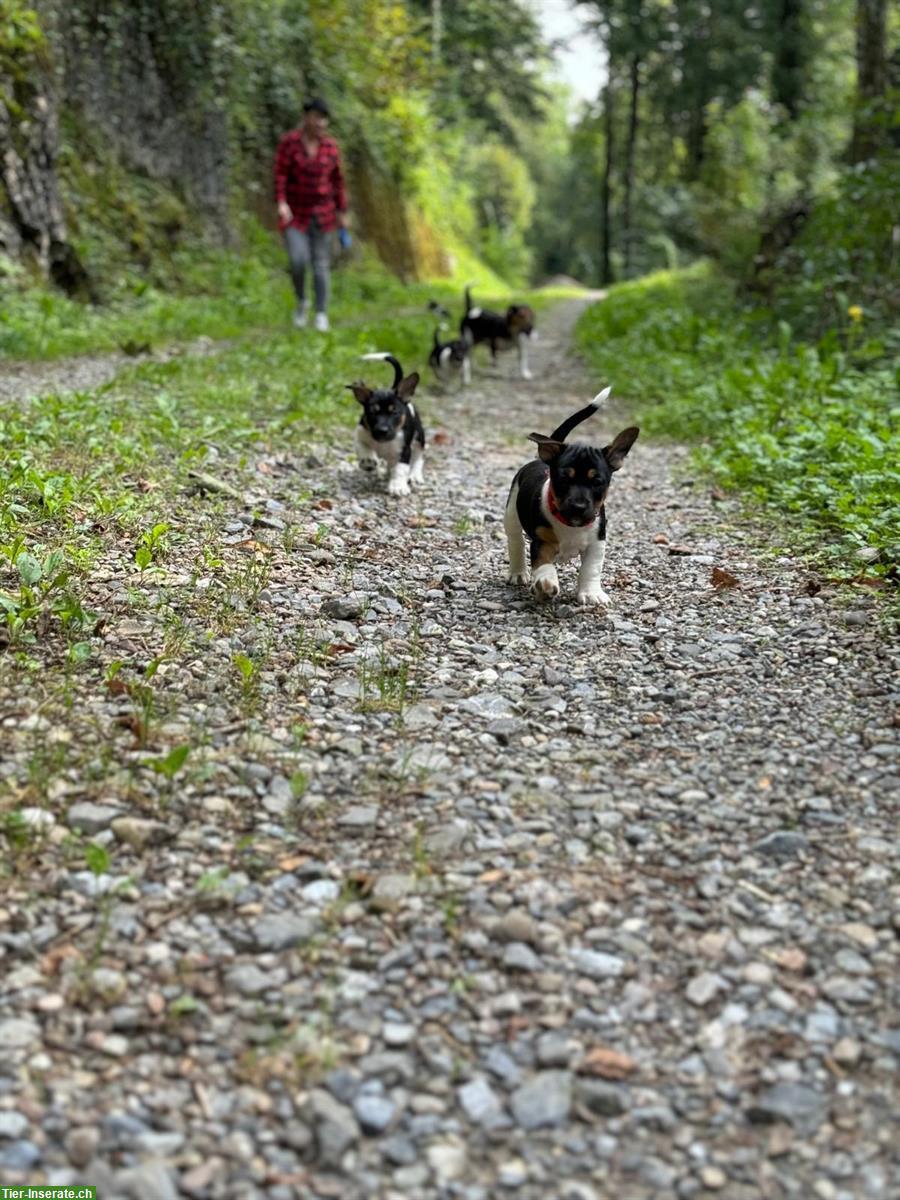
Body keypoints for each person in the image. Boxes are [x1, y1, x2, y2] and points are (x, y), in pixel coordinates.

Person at [273, 97, 348, 332]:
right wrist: (281, 202)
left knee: (320, 266)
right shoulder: (290, 143)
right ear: (306, 117)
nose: (320, 123)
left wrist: (342, 211)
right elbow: (280, 175)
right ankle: (302, 301)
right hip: (296, 214)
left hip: (323, 214)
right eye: (316, 117)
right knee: (297, 260)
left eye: (323, 119)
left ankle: (321, 314)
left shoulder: (330, 147)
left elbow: (338, 181)